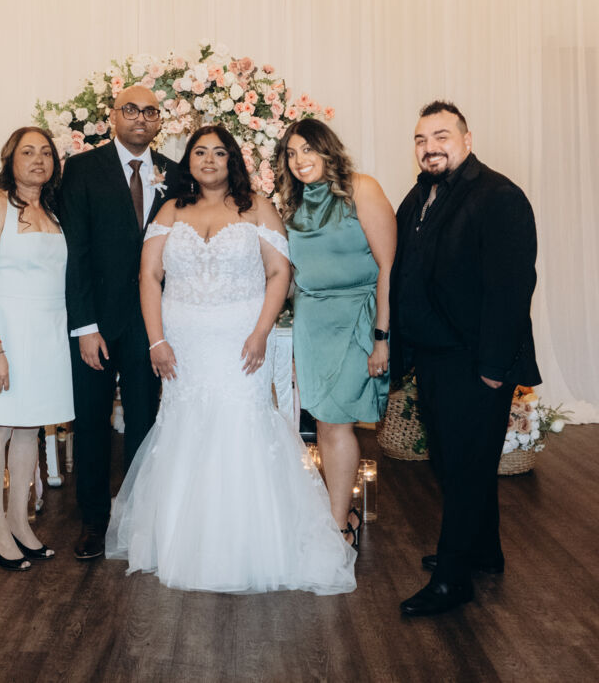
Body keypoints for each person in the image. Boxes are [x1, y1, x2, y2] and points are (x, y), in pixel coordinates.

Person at [106, 125, 356, 595]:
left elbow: (279, 272)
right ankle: (182, 542)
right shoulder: (170, 210)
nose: (209, 160)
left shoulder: (257, 207)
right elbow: (149, 275)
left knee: (242, 423)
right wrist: (156, 341)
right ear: (189, 161)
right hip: (183, 345)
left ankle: (248, 546)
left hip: (242, 343)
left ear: (232, 161)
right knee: (185, 426)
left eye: (219, 153)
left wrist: (261, 332)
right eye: (200, 152)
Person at [390, 100, 541, 616]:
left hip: (476, 361)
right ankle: (483, 550)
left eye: (441, 136)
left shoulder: (499, 196)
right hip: (434, 356)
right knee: (455, 461)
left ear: (467, 140)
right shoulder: (420, 196)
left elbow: (512, 288)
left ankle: (453, 580)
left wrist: (494, 368)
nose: (429, 147)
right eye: (421, 139)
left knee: (464, 466)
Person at [58, 85, 179, 561]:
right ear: (113, 116)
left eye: (150, 111)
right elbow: (76, 251)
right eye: (131, 109)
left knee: (145, 422)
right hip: (97, 323)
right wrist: (85, 326)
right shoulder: (83, 168)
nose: (140, 118)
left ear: (159, 121)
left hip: (150, 323)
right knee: (91, 422)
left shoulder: (174, 172)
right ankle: (94, 520)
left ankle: (138, 519)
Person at [274, 119, 396, 548]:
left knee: (339, 422)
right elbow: (291, 276)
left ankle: (340, 526)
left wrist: (381, 336)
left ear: (328, 149)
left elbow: (389, 268)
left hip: (357, 316)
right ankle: (341, 514)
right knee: (325, 422)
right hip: (312, 323)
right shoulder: (292, 206)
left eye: (308, 149)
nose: (300, 160)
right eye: (291, 153)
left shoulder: (362, 189)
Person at [0, 126, 75, 571]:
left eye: (46, 152)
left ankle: (20, 523)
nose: (38, 160)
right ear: (10, 160)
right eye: (27, 152)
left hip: (48, 333)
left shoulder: (54, 211)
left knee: (29, 431)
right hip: (7, 332)